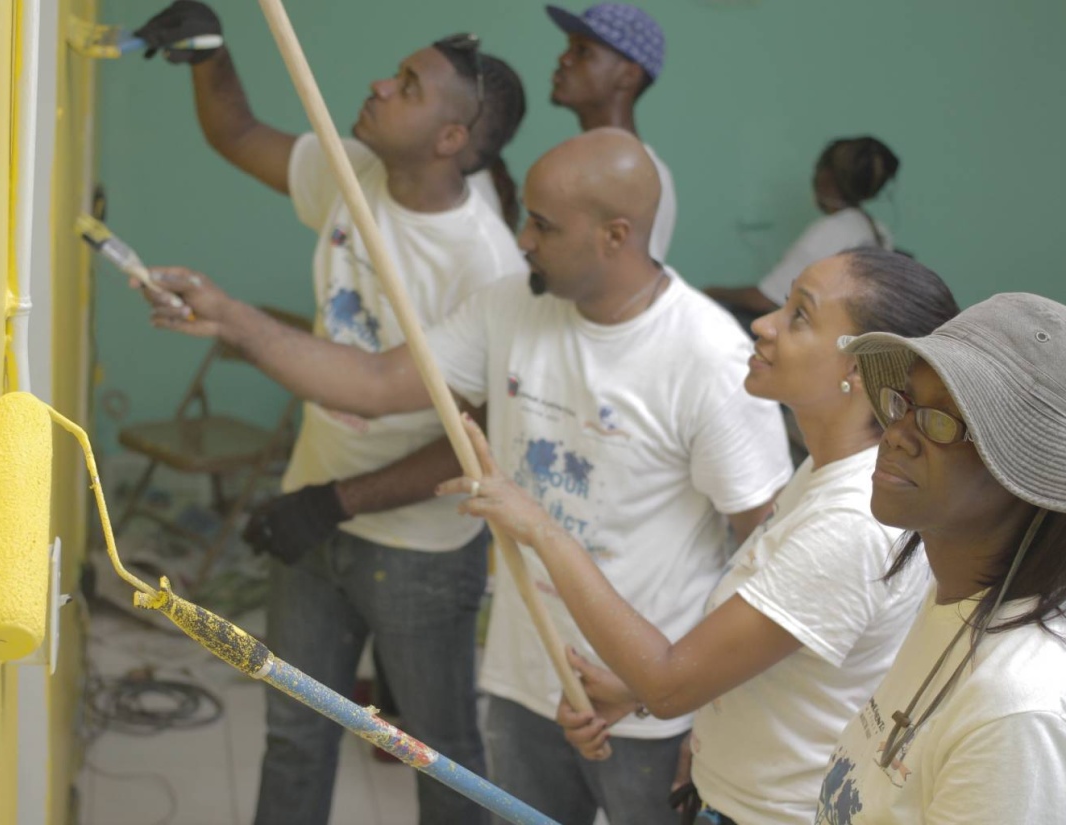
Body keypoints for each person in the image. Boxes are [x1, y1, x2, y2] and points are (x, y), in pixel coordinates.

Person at [138, 128, 793, 825]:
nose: (521, 239)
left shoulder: (707, 357)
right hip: (525, 676)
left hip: (647, 707)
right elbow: (373, 380)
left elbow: (769, 557)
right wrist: (232, 319)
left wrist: (689, 700)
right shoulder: (512, 304)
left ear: (616, 234)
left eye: (542, 224)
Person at [133, 5, 528, 824]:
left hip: (417, 551)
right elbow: (236, 133)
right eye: (396, 70)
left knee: (442, 755)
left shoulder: (484, 263)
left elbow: (458, 431)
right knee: (294, 732)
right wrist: (210, 53)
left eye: (410, 85)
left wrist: (335, 500)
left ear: (451, 138)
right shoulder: (354, 173)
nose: (382, 83)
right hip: (312, 513)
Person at [438, 247, 960, 824]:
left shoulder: (850, 520)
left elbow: (668, 685)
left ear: (859, 369)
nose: (763, 325)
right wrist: (637, 692)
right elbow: (770, 654)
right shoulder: (826, 474)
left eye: (799, 316)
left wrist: (540, 528)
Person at [812, 293, 1066, 823]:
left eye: (943, 422)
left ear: (1027, 479)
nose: (897, 435)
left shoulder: (1015, 707)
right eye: (903, 403)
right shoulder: (955, 591)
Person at [705, 137, 901, 328]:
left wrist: (712, 292)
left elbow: (765, 300)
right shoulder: (876, 230)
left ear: (826, 177)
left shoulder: (831, 231)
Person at [547, 2, 677, 262]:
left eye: (582, 51)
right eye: (568, 47)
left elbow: (630, 290)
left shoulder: (643, 179)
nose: (564, 58)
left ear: (628, 75)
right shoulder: (574, 161)